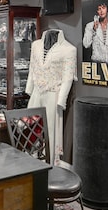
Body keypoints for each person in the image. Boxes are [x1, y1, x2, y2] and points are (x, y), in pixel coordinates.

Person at [25, 29, 77, 164]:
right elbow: (32, 67)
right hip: (36, 92)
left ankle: (48, 161)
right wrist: (29, 89)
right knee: (31, 126)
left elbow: (68, 77)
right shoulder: (36, 45)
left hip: (53, 95)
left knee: (50, 130)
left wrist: (61, 100)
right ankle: (31, 158)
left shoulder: (69, 49)